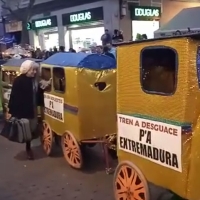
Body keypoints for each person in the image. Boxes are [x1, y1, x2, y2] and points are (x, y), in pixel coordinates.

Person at [8, 60, 51, 160]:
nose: (35, 72)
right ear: (26, 69)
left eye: (35, 70)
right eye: (33, 70)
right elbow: (14, 97)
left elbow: (40, 90)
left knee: (31, 129)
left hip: (33, 109)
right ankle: (28, 149)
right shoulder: (18, 80)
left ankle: (29, 145)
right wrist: (11, 111)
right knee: (26, 131)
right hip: (23, 110)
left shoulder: (35, 80)